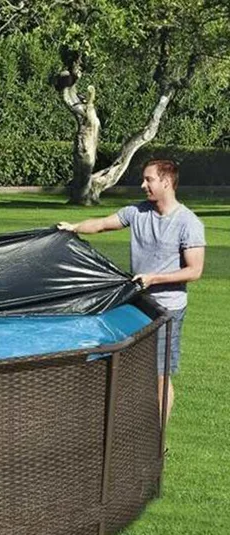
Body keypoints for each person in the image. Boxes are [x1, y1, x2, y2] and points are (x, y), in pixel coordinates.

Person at [58, 159, 205, 422]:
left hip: (167, 310)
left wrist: (154, 278)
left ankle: (158, 436)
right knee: (131, 367)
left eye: (148, 179)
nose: (142, 185)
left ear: (166, 182)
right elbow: (102, 224)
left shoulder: (188, 223)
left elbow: (194, 271)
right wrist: (74, 227)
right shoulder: (137, 212)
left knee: (159, 375)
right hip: (138, 304)